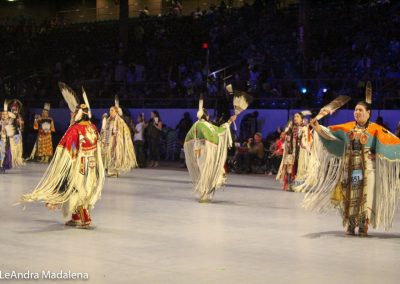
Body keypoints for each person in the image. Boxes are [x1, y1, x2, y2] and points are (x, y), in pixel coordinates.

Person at [301, 100, 400, 237]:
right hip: (351, 169)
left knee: (366, 197)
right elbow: (330, 134)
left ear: (368, 113)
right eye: (355, 110)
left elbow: (391, 143)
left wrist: (376, 154)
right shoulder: (347, 128)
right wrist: (317, 127)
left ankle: (363, 225)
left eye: (360, 110)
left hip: (368, 170)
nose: (357, 112)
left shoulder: (376, 129)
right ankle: (351, 223)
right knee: (351, 196)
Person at [20, 103, 105, 229]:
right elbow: (98, 145)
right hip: (91, 164)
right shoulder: (92, 127)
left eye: (74, 112)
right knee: (81, 188)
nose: (71, 114)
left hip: (79, 165)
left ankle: (85, 219)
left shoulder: (75, 129)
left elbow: (68, 148)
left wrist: (66, 161)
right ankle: (76, 218)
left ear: (79, 115)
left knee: (77, 188)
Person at [184, 99, 236, 202]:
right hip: (204, 151)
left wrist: (229, 121)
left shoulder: (197, 124)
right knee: (206, 171)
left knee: (204, 171)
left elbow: (187, 139)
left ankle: (204, 193)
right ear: (206, 116)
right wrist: (229, 122)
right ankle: (204, 194)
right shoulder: (203, 125)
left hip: (198, 150)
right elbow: (219, 132)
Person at [276, 112, 312, 191]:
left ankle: (300, 186)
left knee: (300, 168)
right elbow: (287, 139)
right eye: (295, 116)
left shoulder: (305, 128)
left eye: (297, 116)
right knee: (290, 168)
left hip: (301, 152)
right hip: (291, 151)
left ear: (301, 118)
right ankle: (289, 185)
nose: (295, 118)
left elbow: (308, 141)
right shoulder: (291, 128)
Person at [100, 101, 137, 177]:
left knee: (115, 155)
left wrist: (116, 140)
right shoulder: (108, 120)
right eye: (110, 110)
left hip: (116, 141)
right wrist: (105, 141)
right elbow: (106, 131)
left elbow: (123, 132)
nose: (110, 112)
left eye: (112, 110)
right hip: (109, 141)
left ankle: (115, 171)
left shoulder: (120, 121)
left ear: (116, 112)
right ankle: (111, 171)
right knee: (109, 155)